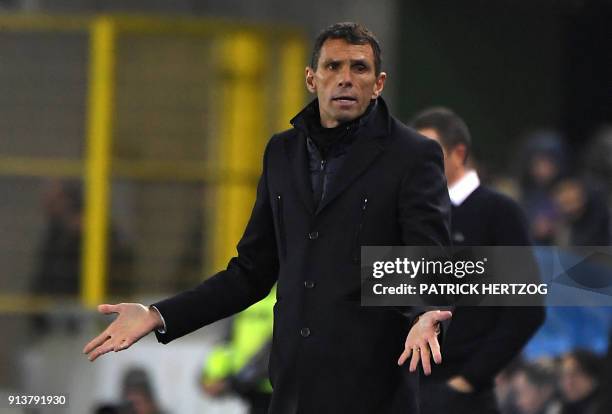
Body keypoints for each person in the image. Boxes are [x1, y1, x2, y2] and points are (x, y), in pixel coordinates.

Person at [84, 22, 453, 413]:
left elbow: (429, 256)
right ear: (312, 79)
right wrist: (158, 315)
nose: (345, 79)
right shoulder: (282, 152)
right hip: (290, 393)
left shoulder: (412, 156)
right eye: (333, 67)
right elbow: (251, 272)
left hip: (373, 395)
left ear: (378, 83)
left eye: (359, 68)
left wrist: (428, 314)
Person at [412, 107, 545, 414]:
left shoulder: (498, 212)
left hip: (462, 397)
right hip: (407, 391)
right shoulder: (411, 215)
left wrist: (468, 380)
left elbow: (527, 310)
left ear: (459, 153)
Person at [559, 350, 602, 414]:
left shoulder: (604, 407)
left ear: (592, 378)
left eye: (575, 374)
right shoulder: (563, 408)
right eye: (565, 375)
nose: (568, 382)